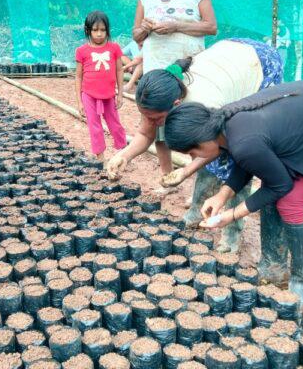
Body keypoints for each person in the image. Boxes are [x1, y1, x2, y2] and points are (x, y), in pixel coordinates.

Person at [163, 79, 303, 306]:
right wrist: (221, 196)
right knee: (274, 181)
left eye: (192, 151)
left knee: (290, 200)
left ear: (202, 138)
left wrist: (231, 215)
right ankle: (274, 267)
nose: (194, 157)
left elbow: (278, 184)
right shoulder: (224, 122)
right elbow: (248, 159)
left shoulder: (243, 139)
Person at [106, 38, 283, 252]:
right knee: (211, 157)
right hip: (229, 53)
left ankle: (231, 233)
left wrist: (186, 171)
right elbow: (145, 132)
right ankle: (197, 211)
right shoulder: (156, 94)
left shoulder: (204, 101)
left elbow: (216, 148)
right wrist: (123, 155)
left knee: (240, 156)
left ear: (176, 105)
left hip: (257, 63)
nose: (153, 122)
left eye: (156, 118)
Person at [132, 0, 218, 186]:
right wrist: (144, 28)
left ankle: (199, 186)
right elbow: (136, 34)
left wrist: (176, 25)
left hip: (190, 71)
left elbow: (211, 26)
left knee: (197, 129)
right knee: (159, 129)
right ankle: (167, 177)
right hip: (157, 74)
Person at [74, 11, 127, 162]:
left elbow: (119, 70)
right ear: (88, 30)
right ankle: (100, 158)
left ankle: (124, 154)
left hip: (109, 95)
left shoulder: (114, 48)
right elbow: (78, 76)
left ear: (107, 30)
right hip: (89, 95)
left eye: (103, 30)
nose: (99, 34)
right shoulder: (81, 51)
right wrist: (79, 102)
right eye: (95, 30)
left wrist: (120, 94)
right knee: (94, 126)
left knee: (115, 125)